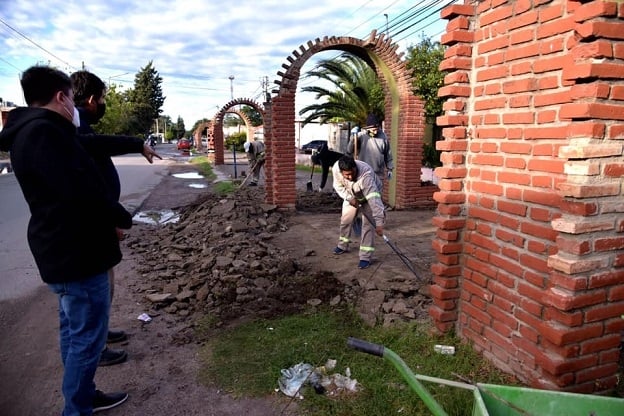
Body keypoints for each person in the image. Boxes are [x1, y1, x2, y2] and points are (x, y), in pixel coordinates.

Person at [0, 66, 129, 415]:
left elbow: (88, 149)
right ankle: (77, 407)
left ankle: (83, 396)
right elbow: (80, 193)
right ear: (61, 97)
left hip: (65, 251)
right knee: (86, 338)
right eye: (72, 98)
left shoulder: (40, 131)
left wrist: (134, 143)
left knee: (74, 332)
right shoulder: (44, 135)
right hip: (77, 254)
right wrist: (119, 217)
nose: (75, 105)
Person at [71, 69, 161, 367]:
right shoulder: (75, 126)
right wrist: (112, 220)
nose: (102, 104)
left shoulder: (78, 125)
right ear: (92, 99)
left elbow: (98, 148)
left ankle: (100, 334)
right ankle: (93, 349)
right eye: (102, 99)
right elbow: (89, 176)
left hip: (98, 221)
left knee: (102, 288)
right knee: (94, 291)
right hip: (91, 225)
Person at [331, 155, 385, 269]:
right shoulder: (336, 169)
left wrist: (379, 223)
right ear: (341, 172)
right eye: (347, 175)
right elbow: (338, 186)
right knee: (346, 219)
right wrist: (349, 198)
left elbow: (374, 201)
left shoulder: (366, 176)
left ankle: (365, 257)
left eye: (352, 173)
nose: (350, 177)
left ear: (355, 167)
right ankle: (342, 245)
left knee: (368, 225)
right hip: (351, 194)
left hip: (369, 195)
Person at [347, 113, 394, 191]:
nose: (375, 132)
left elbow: (388, 154)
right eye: (373, 130)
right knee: (364, 195)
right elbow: (349, 150)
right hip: (363, 173)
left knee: (376, 195)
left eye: (377, 129)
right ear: (367, 128)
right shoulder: (360, 136)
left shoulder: (383, 137)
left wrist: (390, 168)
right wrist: (353, 138)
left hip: (378, 174)